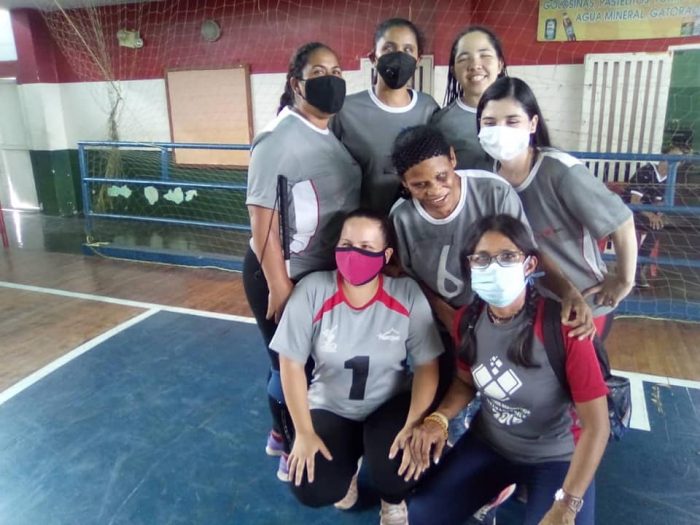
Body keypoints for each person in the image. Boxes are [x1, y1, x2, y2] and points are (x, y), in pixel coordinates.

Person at [407, 214, 610, 525]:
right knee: (422, 514)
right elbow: (465, 381)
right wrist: (439, 418)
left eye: (507, 257)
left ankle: (526, 492)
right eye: (482, 258)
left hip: (556, 456)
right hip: (491, 444)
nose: (494, 266)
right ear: (470, 267)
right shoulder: (468, 320)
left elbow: (597, 427)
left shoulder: (564, 327)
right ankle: (496, 490)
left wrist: (567, 505)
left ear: (528, 265)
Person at [270, 209, 442, 525]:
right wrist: (304, 432)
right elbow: (290, 363)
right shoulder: (313, 289)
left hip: (388, 405)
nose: (353, 253)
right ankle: (348, 466)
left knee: (401, 467)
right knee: (311, 486)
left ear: (385, 254)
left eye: (365, 247)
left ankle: (392, 500)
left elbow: (427, 365)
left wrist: (414, 422)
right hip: (331, 405)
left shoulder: (405, 293)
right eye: (346, 244)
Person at [243, 42, 362, 480]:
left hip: (319, 274)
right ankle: (291, 441)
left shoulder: (330, 130)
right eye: (318, 71)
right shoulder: (279, 138)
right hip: (282, 273)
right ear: (296, 84)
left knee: (307, 363)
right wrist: (279, 285)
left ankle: (279, 432)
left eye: (336, 69)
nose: (329, 78)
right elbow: (262, 221)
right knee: (292, 364)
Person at [390, 125, 593, 339]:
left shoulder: (494, 192)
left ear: (452, 158)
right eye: (419, 185)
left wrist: (568, 292)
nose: (434, 190)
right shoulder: (401, 218)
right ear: (404, 182)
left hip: (502, 315)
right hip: (439, 323)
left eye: (441, 177)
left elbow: (528, 253)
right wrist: (448, 316)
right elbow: (410, 277)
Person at [476, 77, 637, 335]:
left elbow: (622, 221)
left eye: (512, 121)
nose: (500, 129)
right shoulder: (489, 179)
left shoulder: (561, 172)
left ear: (532, 123)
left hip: (586, 303)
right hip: (534, 304)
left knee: (580, 373)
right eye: (490, 122)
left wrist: (623, 280)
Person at [331, 18, 439, 215]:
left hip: (415, 222)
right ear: (373, 57)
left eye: (407, 49)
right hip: (362, 228)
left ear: (418, 58)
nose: (399, 56)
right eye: (389, 48)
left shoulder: (428, 108)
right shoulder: (346, 110)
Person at [430, 26, 507, 171]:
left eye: (485, 55)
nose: (475, 65)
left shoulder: (521, 112)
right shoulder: (442, 122)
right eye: (464, 58)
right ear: (453, 70)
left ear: (500, 64)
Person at [624, 145, 683, 287]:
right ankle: (631, 268)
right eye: (672, 157)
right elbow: (634, 202)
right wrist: (652, 215)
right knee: (654, 224)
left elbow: (659, 202)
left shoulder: (669, 179)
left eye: (679, 159)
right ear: (663, 156)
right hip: (627, 211)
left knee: (657, 227)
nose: (675, 161)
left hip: (646, 213)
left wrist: (659, 213)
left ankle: (637, 268)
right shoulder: (646, 171)